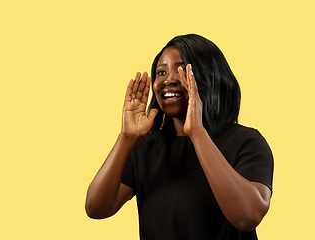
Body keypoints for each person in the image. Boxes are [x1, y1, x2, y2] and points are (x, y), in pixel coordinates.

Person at [85, 34, 274, 240]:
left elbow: (247, 216)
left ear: (210, 76)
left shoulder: (246, 142)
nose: (168, 80)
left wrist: (197, 133)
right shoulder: (145, 148)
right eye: (161, 72)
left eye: (182, 70)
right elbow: (96, 208)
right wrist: (127, 138)